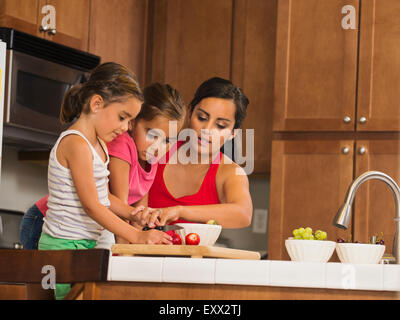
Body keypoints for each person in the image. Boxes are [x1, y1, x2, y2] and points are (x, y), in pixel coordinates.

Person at [38, 62, 171, 299]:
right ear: (97, 103)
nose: (124, 128)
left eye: (129, 121)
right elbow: (92, 205)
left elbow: (104, 197)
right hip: (62, 247)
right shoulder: (76, 143)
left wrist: (132, 213)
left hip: (86, 246)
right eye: (122, 117)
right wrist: (137, 236)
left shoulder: (99, 145)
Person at [19, 82, 185, 250]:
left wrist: (141, 221)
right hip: (47, 222)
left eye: (168, 140)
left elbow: (135, 210)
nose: (158, 146)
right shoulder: (121, 145)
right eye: (152, 134)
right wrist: (130, 245)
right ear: (134, 123)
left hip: (85, 231)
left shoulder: (150, 156)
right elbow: (111, 206)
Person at [148, 77, 253, 228]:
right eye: (202, 117)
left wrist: (180, 211)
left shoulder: (229, 172)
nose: (207, 130)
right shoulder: (158, 148)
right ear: (190, 113)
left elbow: (243, 214)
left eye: (221, 125)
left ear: (233, 133)